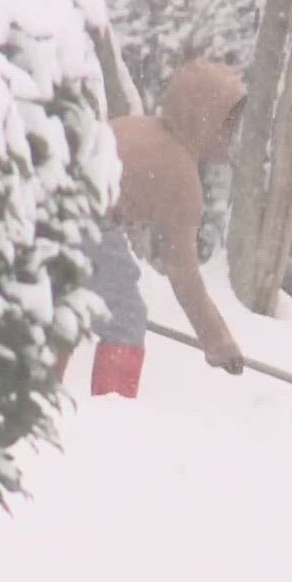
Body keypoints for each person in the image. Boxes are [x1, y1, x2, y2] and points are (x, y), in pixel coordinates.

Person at [86, 60, 248, 398]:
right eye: (226, 127)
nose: (230, 138)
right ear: (204, 121)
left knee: (64, 306)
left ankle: (45, 397)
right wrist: (219, 343)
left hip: (49, 207)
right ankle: (112, 408)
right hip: (88, 218)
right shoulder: (179, 175)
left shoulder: (136, 126)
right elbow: (184, 275)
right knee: (126, 317)